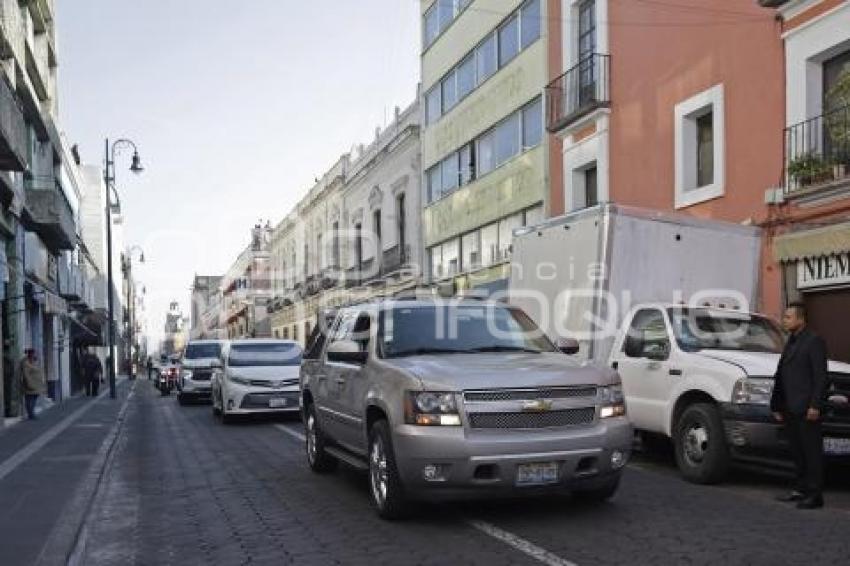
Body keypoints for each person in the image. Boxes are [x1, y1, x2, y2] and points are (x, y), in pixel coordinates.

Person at [770, 302, 828, 510]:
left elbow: (821, 377)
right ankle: (800, 489)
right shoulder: (791, 341)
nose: (784, 320)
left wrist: (815, 405)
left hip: (807, 409)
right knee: (797, 452)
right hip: (790, 407)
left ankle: (815, 495)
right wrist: (776, 404)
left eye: (788, 317)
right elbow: (782, 374)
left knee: (811, 453)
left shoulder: (814, 341)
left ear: (801, 319)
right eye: (784, 317)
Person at [19, 349, 45, 420]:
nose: (34, 355)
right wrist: (29, 384)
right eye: (33, 353)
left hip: (36, 384)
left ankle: (31, 413)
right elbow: (26, 375)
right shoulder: (25, 363)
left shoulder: (34, 361)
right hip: (30, 385)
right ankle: (31, 414)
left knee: (33, 398)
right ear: (30, 354)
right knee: (29, 399)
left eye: (34, 353)